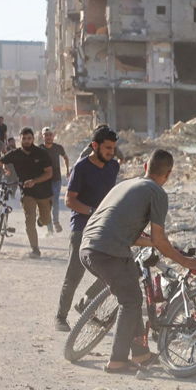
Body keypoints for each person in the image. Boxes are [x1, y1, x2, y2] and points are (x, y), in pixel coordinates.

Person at [78, 150, 196, 372]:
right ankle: (117, 361)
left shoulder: (126, 184)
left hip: (87, 248)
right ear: (169, 173)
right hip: (108, 252)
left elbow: (133, 235)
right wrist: (185, 261)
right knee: (131, 300)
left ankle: (141, 354)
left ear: (145, 166)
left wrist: (156, 244)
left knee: (132, 289)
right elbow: (159, 239)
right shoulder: (157, 193)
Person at [55, 126, 120, 331]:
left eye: (113, 148)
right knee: (74, 274)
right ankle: (60, 317)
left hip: (105, 227)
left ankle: (86, 303)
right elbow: (69, 200)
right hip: (82, 228)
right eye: (107, 148)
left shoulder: (113, 166)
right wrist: (92, 212)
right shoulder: (81, 168)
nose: (111, 152)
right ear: (95, 146)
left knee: (113, 272)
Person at [0, 127, 54, 258]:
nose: (27, 141)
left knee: (45, 220)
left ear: (33, 139)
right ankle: (35, 249)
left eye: (29, 138)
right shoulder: (15, 154)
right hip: (27, 192)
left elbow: (49, 173)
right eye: (24, 138)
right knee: (29, 221)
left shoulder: (41, 153)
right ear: (20, 139)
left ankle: (42, 220)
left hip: (44, 192)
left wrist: (34, 181)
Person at [40, 127, 70, 235]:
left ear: (53, 136)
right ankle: (49, 229)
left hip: (56, 179)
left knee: (55, 201)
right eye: (46, 135)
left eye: (50, 135)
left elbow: (65, 157)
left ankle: (56, 221)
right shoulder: (40, 149)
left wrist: (67, 170)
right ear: (42, 136)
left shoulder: (58, 147)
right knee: (46, 204)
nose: (48, 137)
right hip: (44, 180)